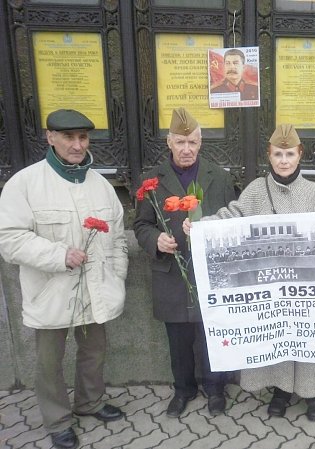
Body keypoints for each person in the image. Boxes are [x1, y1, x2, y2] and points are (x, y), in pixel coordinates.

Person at [183, 123, 315, 422]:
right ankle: (281, 391)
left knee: (309, 339)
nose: (284, 160)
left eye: (290, 154)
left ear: (300, 155)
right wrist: (201, 227)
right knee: (277, 338)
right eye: (278, 154)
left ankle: (314, 394)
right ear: (269, 155)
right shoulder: (256, 190)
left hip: (307, 288)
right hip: (270, 289)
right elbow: (233, 216)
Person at [0, 109, 129, 449]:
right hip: (50, 290)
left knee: (94, 350)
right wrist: (59, 255)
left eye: (83, 138)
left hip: (96, 287)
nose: (77, 145)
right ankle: (57, 420)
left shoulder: (100, 185)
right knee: (49, 361)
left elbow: (116, 238)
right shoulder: (25, 183)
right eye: (69, 137)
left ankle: (90, 402)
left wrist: (116, 275)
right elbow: (10, 239)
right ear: (50, 137)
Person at [133, 107, 235, 418]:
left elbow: (231, 221)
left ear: (200, 142)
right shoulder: (149, 180)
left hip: (209, 273)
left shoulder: (220, 177)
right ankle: (183, 389)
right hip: (171, 272)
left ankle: (215, 388)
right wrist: (156, 241)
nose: (186, 149)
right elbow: (141, 225)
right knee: (177, 340)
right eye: (180, 142)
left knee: (211, 334)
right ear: (169, 142)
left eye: (192, 142)